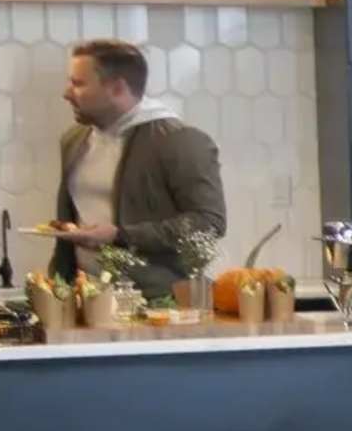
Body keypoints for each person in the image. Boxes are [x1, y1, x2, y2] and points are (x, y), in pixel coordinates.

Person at [40, 37, 224, 282]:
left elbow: (209, 223)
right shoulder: (73, 140)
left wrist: (121, 235)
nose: (66, 94)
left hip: (160, 303)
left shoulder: (180, 141)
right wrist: (59, 283)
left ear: (117, 88)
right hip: (85, 295)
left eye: (78, 84)